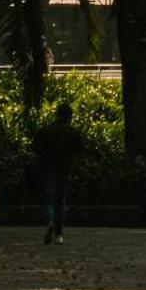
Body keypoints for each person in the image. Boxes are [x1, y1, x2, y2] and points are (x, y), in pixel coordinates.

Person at [31, 102, 84, 246]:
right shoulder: (74, 133)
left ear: (57, 114)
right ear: (70, 116)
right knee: (61, 199)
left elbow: (35, 148)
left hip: (48, 168)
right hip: (65, 169)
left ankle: (50, 220)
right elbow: (80, 151)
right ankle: (59, 233)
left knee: (49, 198)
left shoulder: (46, 131)